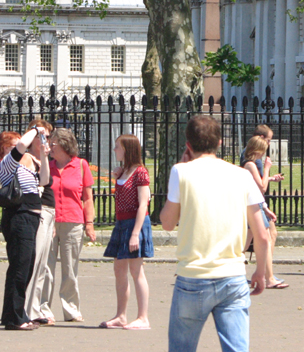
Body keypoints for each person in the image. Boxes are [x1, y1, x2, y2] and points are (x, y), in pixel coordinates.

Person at [159, 115, 269, 352]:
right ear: (220, 143)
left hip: (193, 274)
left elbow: (167, 222)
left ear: (188, 145)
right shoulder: (242, 175)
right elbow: (261, 234)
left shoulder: (181, 172)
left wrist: (182, 165)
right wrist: (260, 270)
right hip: (233, 274)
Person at [0, 126, 49, 331]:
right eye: (11, 145)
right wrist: (35, 129)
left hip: (31, 219)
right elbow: (21, 145)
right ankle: (15, 317)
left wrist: (43, 157)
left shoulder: (26, 166)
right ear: (3, 150)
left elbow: (44, 180)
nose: (19, 148)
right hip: (19, 218)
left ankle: (14, 313)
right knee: (20, 268)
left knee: (25, 268)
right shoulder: (7, 164)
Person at [100, 134, 153, 330]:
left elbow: (143, 205)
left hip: (134, 223)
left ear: (128, 149)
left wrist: (135, 233)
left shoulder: (140, 172)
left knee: (136, 270)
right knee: (119, 269)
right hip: (122, 222)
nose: (115, 150)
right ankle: (121, 315)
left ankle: (143, 317)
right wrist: (118, 175)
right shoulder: (123, 171)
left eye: (118, 147)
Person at [44, 127, 96, 323]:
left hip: (73, 222)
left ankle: (71, 309)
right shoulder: (47, 166)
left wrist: (89, 224)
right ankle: (43, 309)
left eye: (53, 143)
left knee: (70, 268)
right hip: (50, 221)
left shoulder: (81, 165)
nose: (50, 146)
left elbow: (88, 198)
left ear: (65, 145)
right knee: (46, 268)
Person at [241, 135, 287, 289]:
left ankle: (264, 277)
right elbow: (261, 187)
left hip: (255, 204)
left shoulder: (250, 165)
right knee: (262, 241)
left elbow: (256, 189)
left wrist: (265, 207)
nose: (263, 155)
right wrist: (267, 168)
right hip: (252, 206)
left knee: (245, 243)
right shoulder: (250, 165)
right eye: (262, 151)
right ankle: (269, 278)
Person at [23, 119, 57, 326]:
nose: (47, 140)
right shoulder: (27, 158)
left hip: (49, 211)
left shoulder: (42, 158)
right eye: (42, 136)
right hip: (39, 210)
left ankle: (35, 307)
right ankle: (26, 307)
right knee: (34, 262)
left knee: (43, 263)